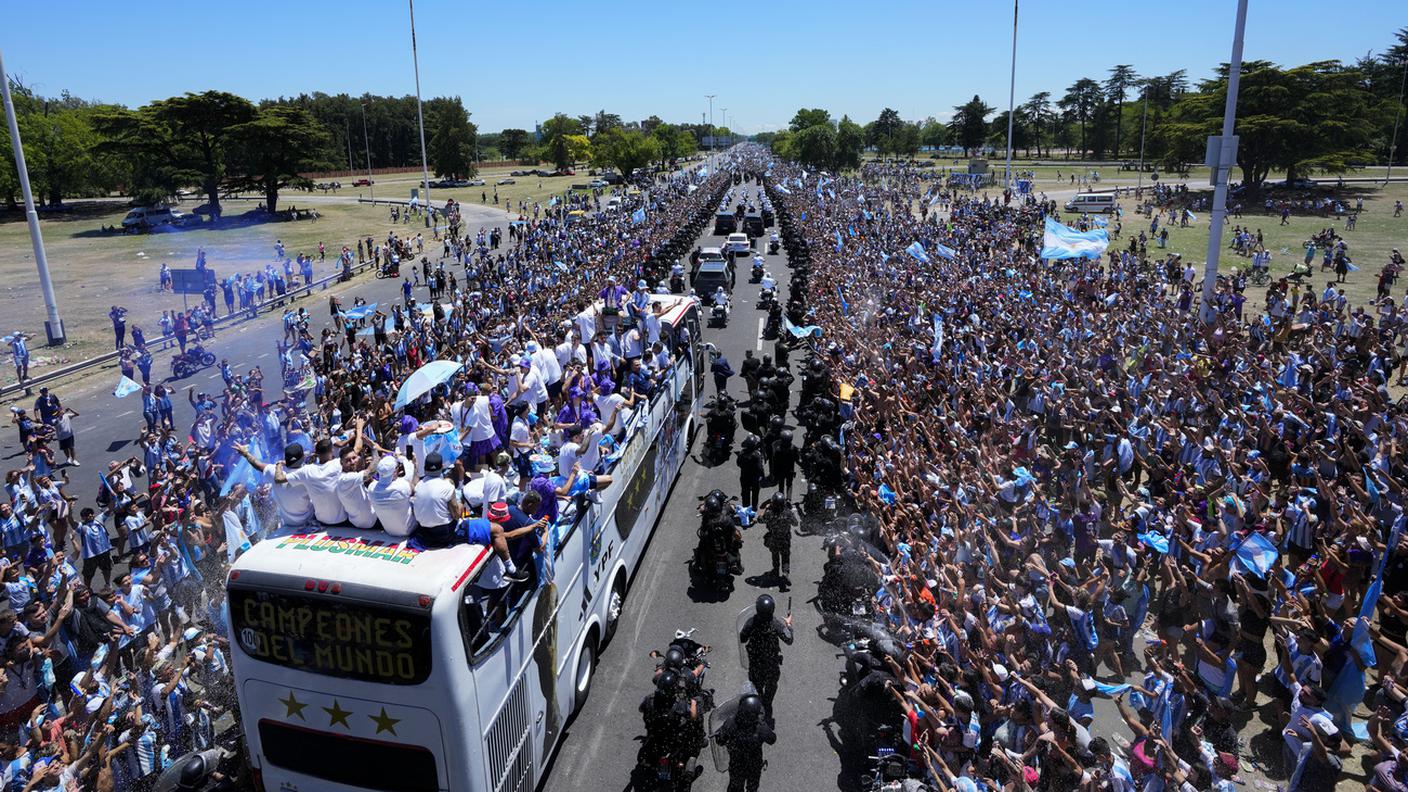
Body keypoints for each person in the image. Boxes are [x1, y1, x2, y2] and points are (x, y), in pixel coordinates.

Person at [738, 594, 793, 718]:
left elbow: (742, 638)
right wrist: (789, 625)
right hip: (771, 664)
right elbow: (789, 639)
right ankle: (767, 703)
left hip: (755, 663)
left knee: (756, 685)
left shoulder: (751, 622)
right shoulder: (775, 624)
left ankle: (759, 702)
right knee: (771, 685)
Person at [713, 693, 775, 792]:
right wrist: (763, 724)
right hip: (754, 764)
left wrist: (720, 733)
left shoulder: (731, 723)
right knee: (752, 788)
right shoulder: (760, 727)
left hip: (736, 763)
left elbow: (720, 741)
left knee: (735, 787)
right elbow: (772, 739)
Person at [760, 492, 795, 590]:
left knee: (775, 555)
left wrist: (765, 508)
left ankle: (775, 571)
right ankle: (785, 573)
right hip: (785, 539)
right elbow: (795, 523)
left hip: (774, 538)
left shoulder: (769, 513)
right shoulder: (787, 513)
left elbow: (760, 519)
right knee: (785, 556)